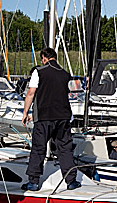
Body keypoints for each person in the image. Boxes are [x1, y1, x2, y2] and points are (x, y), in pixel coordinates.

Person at [21, 47, 79, 192]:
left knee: (38, 148)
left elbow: (31, 93)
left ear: (45, 58)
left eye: (42, 59)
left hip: (44, 117)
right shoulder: (65, 74)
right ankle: (71, 181)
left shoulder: (39, 72)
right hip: (63, 116)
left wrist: (25, 112)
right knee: (65, 149)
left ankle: (33, 182)